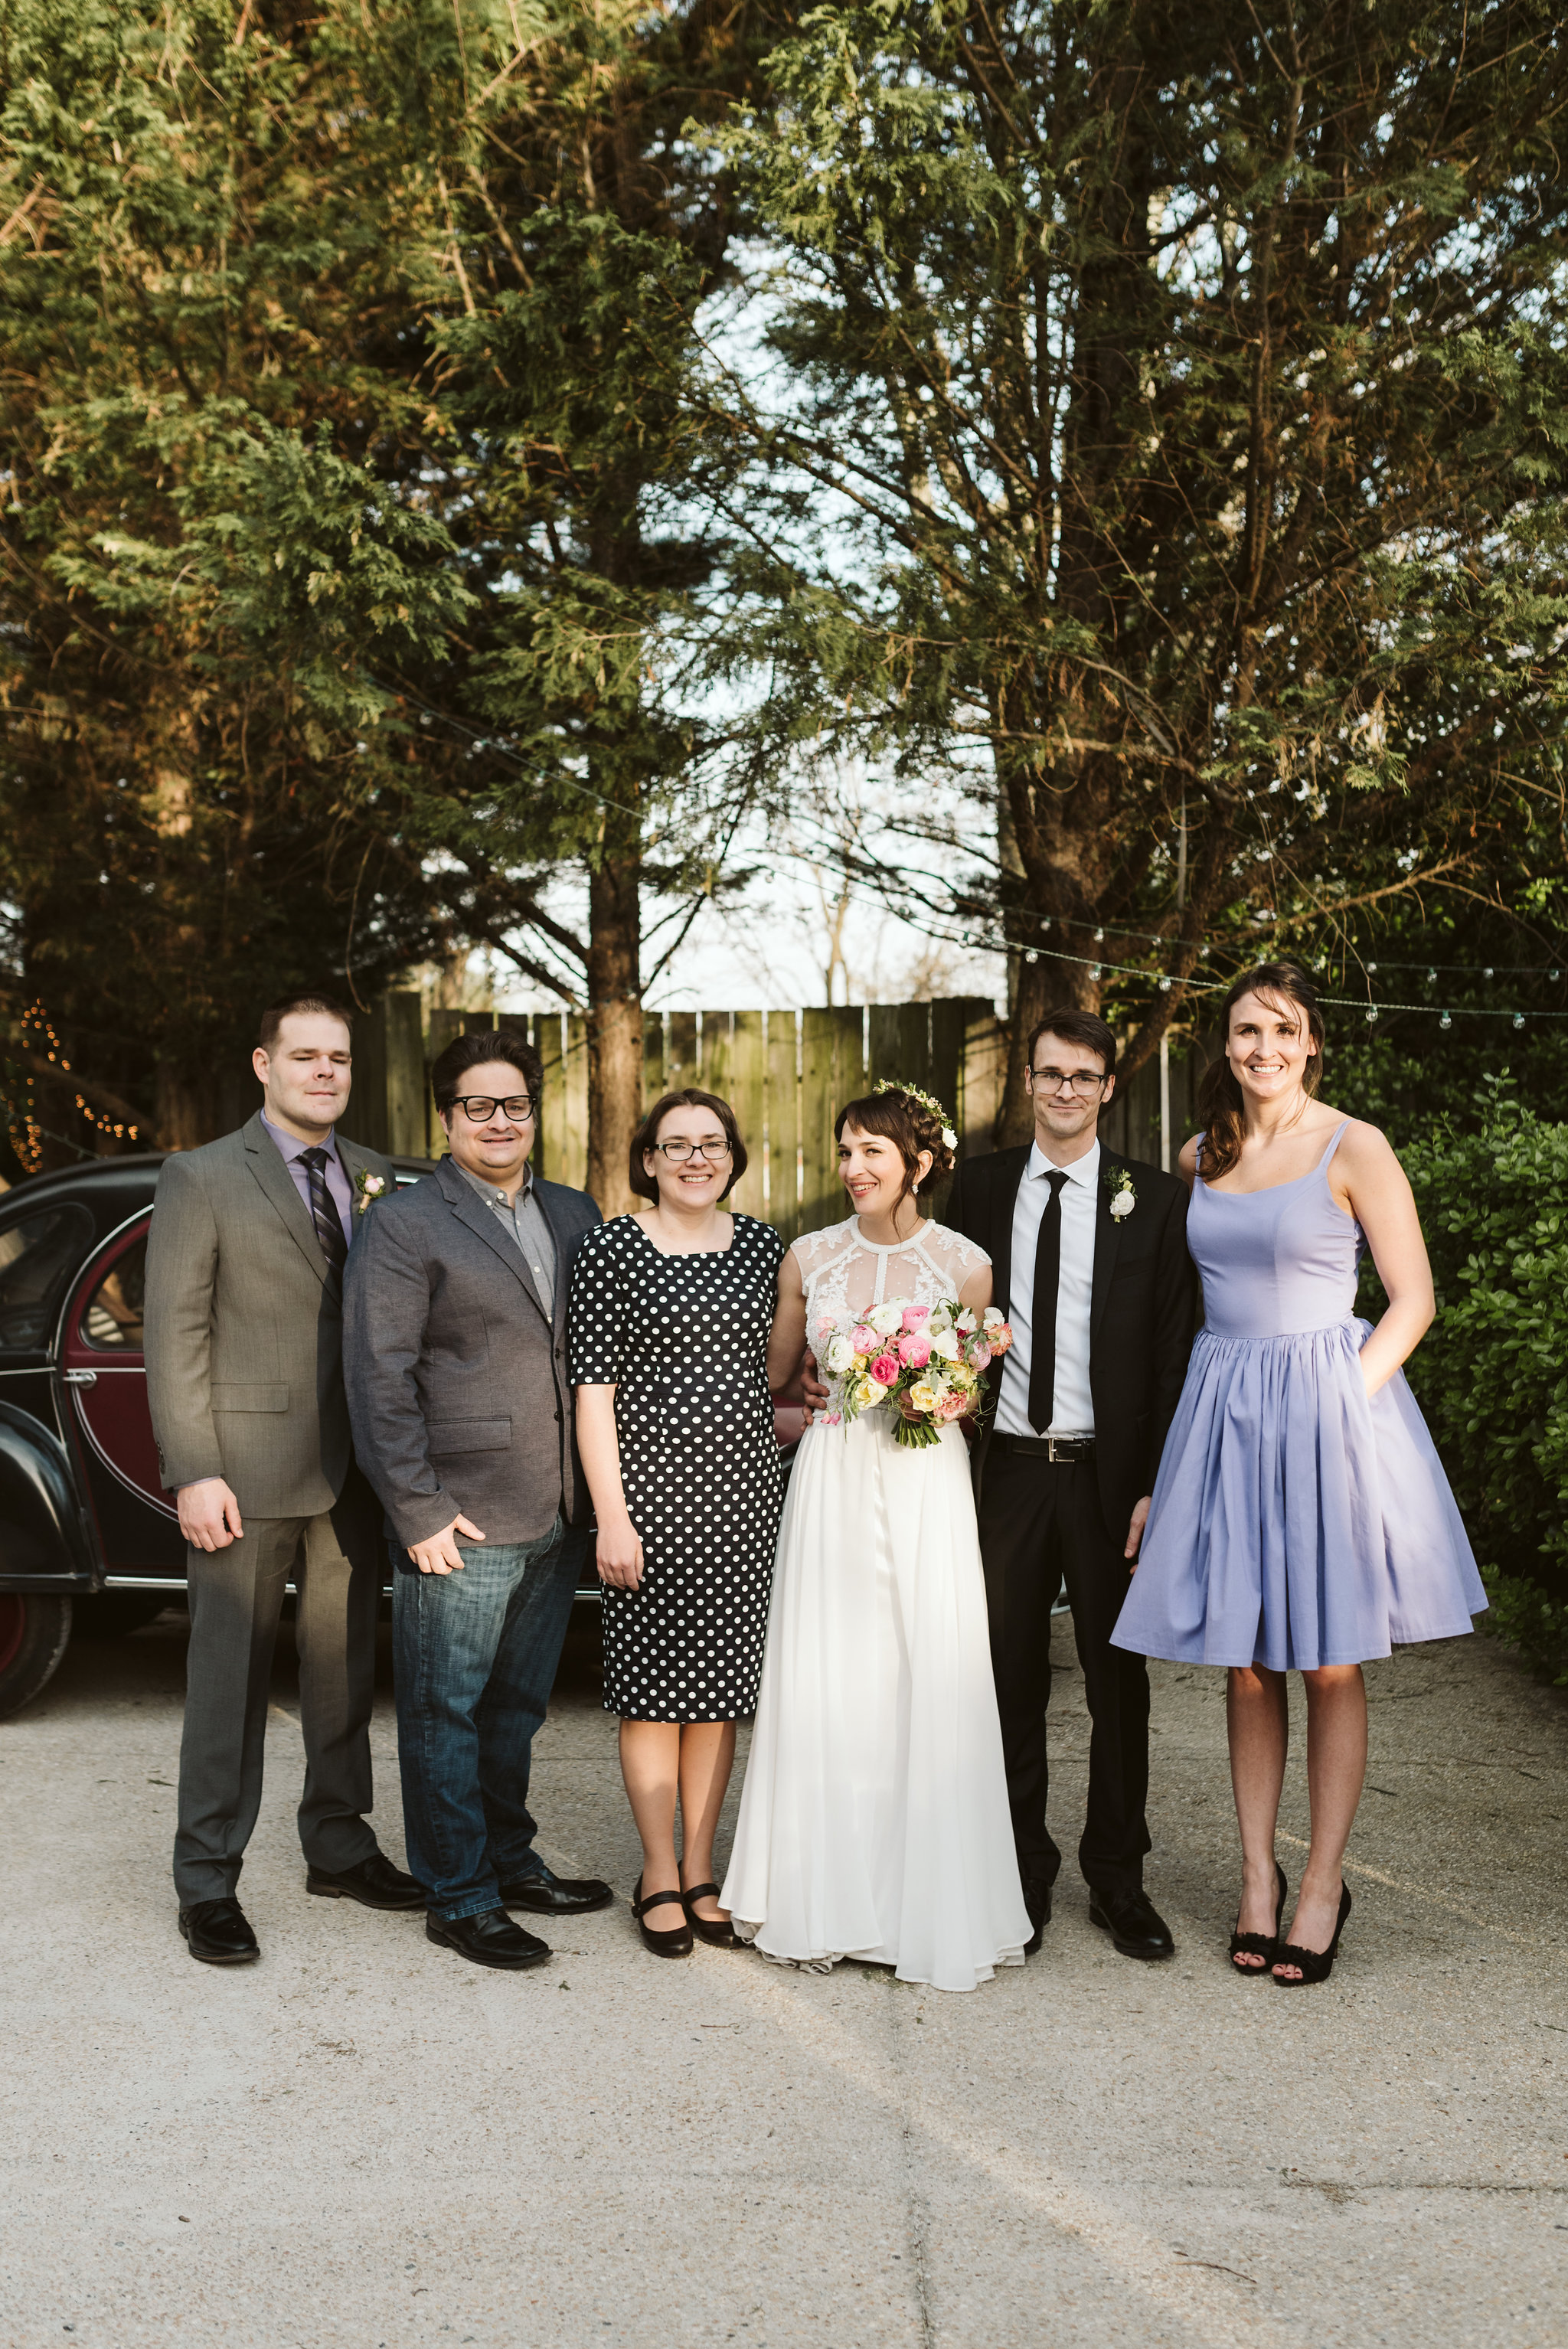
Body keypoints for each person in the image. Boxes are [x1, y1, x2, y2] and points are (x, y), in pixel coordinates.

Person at [1112, 963, 1485, 1985]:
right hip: (1225, 1411)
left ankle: (1323, 1883)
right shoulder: (1202, 1152)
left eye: (1282, 1029)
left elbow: (1413, 1301)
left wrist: (1343, 1404)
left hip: (1331, 1410)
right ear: (1223, 1044)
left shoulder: (1354, 1143)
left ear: (1312, 1040)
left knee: (1327, 1659)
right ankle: (1255, 1878)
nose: (1263, 1047)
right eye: (1244, 1030)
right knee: (1244, 1661)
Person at [722, 1085, 1031, 1994]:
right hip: (831, 1477)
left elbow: (971, 1399)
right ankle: (821, 1896)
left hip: (924, 1482)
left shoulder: (965, 1265)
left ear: (919, 1164)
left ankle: (921, 1906)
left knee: (920, 1674)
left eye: (873, 1154)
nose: (854, 1169)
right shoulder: (807, 1256)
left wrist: (940, 1391)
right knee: (834, 1678)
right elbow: (776, 1382)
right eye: (846, 1150)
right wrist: (800, 1400)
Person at [144, 995, 422, 1965]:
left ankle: (339, 1845)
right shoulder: (202, 1174)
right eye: (304, 1056)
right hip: (244, 1475)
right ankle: (207, 1879)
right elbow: (173, 1331)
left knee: (345, 1672)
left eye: (338, 1057)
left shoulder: (384, 1177)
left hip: (354, 1475)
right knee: (228, 1679)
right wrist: (194, 1469)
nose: (324, 1072)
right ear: (263, 1063)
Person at [345, 1029, 612, 1972]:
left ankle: (508, 1859)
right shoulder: (406, 1222)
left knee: (515, 1708)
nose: (499, 1121)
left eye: (515, 1103)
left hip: (556, 1508)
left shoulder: (576, 1212)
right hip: (458, 1512)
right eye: (478, 1105)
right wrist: (414, 1507)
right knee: (442, 1708)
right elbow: (378, 1376)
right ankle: (458, 1894)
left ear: (534, 1112)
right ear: (446, 1115)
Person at [944, 1011, 1197, 1963]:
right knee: (1004, 1678)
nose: (1062, 1090)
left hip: (1106, 1477)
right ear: (1026, 1081)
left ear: (1105, 1089)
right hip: (1002, 1471)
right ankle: (1020, 1870)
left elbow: (1172, 1350)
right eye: (1048, 1074)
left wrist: (1154, 1484)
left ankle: (1117, 1879)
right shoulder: (977, 1186)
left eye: (1081, 1076)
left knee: (1115, 1684)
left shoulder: (1155, 1200)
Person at [569, 1090, 794, 1959]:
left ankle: (702, 1870)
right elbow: (594, 1397)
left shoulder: (763, 1248)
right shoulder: (612, 1248)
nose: (695, 1157)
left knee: (717, 1700)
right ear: (649, 1160)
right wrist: (611, 1517)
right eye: (676, 1145)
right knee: (652, 1700)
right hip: (650, 1508)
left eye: (711, 1143)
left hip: (742, 1506)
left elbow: (775, 1374)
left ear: (732, 1157)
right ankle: (656, 1871)